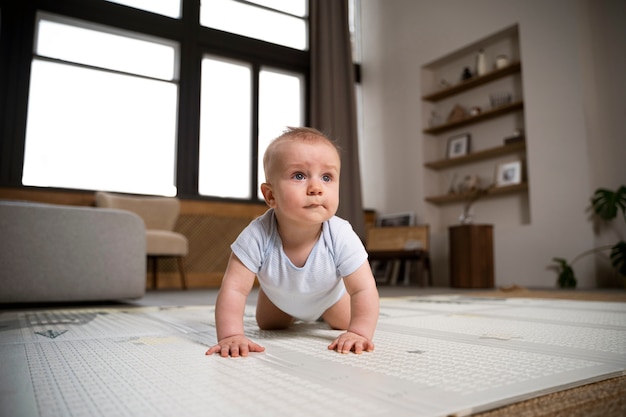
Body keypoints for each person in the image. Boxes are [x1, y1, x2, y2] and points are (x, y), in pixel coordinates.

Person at [206, 127, 379, 358]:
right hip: (278, 297)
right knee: (268, 325)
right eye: (299, 176)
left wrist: (359, 332)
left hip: (329, 299)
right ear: (270, 196)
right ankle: (275, 296)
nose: (316, 188)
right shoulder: (257, 234)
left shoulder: (341, 234)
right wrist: (230, 336)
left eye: (327, 177)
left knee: (344, 323)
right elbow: (234, 289)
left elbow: (363, 288)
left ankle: (327, 313)